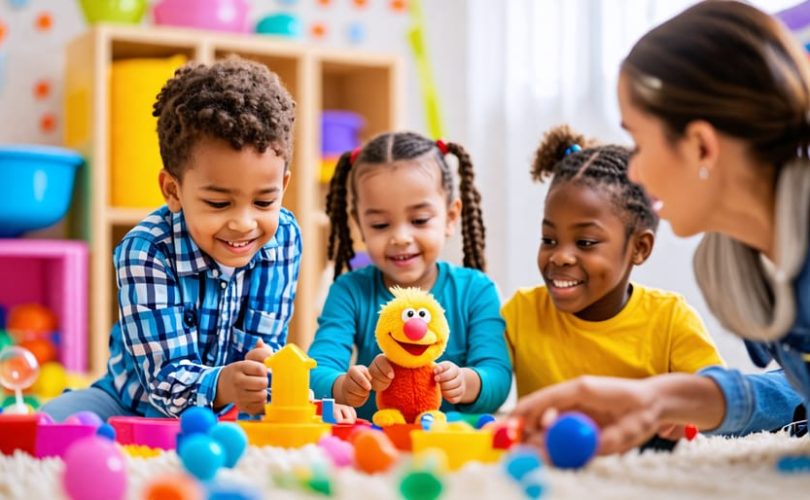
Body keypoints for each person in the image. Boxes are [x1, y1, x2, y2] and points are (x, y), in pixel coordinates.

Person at [513, 0, 809, 455]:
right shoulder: (753, 271)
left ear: (699, 147)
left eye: (638, 142)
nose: (633, 173)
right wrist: (656, 399)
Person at [42, 57, 302, 421]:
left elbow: (267, 346)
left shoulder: (284, 237)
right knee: (48, 423)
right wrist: (223, 384)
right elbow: (163, 380)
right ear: (173, 190)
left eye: (264, 201)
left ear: (283, 185)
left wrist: (264, 372)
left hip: (229, 412)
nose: (244, 223)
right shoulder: (146, 251)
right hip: (130, 404)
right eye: (218, 202)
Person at [502, 125, 724, 401]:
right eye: (549, 239)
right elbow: (482, 375)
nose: (559, 256)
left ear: (639, 248)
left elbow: (716, 400)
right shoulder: (521, 313)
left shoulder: (670, 321)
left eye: (585, 242)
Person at [308, 131, 512, 421]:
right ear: (359, 225)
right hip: (378, 438)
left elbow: (498, 376)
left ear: (451, 217)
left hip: (452, 441)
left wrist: (465, 382)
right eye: (380, 224)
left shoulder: (477, 291)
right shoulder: (349, 291)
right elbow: (317, 369)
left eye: (419, 220)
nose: (401, 238)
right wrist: (343, 386)